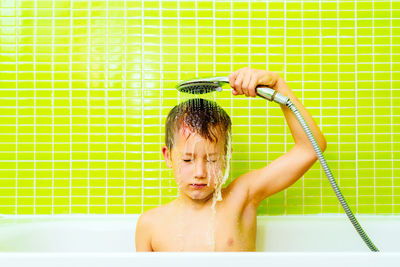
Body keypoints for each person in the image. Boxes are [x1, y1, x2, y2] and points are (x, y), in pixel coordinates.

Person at [135, 67, 327, 251]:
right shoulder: (150, 226)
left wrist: (278, 86)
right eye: (187, 160)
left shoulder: (241, 198)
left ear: (226, 157)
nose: (200, 173)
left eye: (211, 160)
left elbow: (310, 148)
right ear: (168, 156)